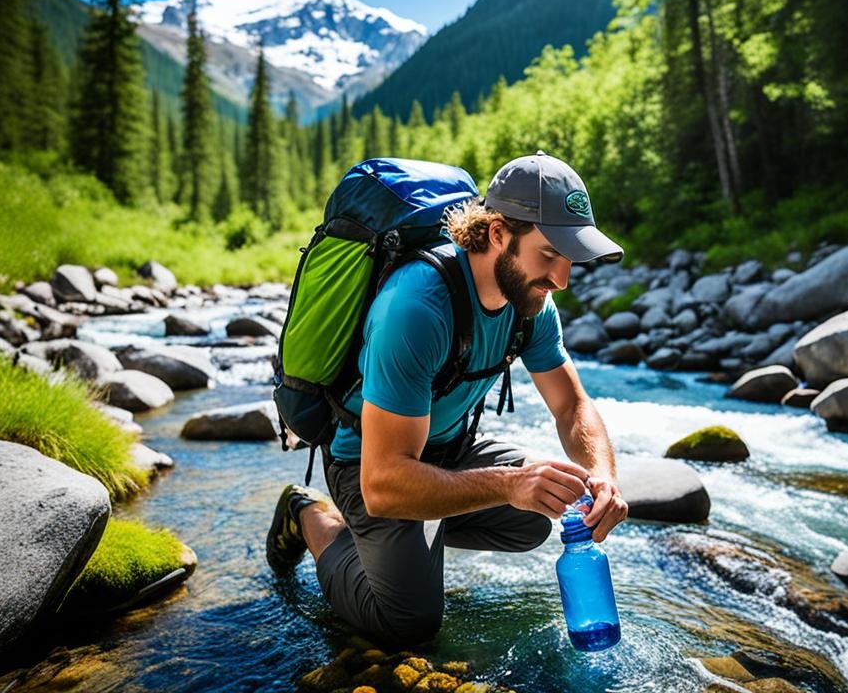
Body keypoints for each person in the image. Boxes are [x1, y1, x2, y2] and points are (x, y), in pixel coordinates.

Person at [266, 151, 629, 646]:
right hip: (369, 466)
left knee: (539, 515)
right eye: (549, 255)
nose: (561, 280)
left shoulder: (531, 302)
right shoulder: (416, 308)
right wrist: (506, 485)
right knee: (407, 622)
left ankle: (414, 534)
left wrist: (603, 475)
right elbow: (382, 482)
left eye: (570, 259)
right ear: (498, 232)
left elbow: (572, 406)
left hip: (449, 448)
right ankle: (311, 516)